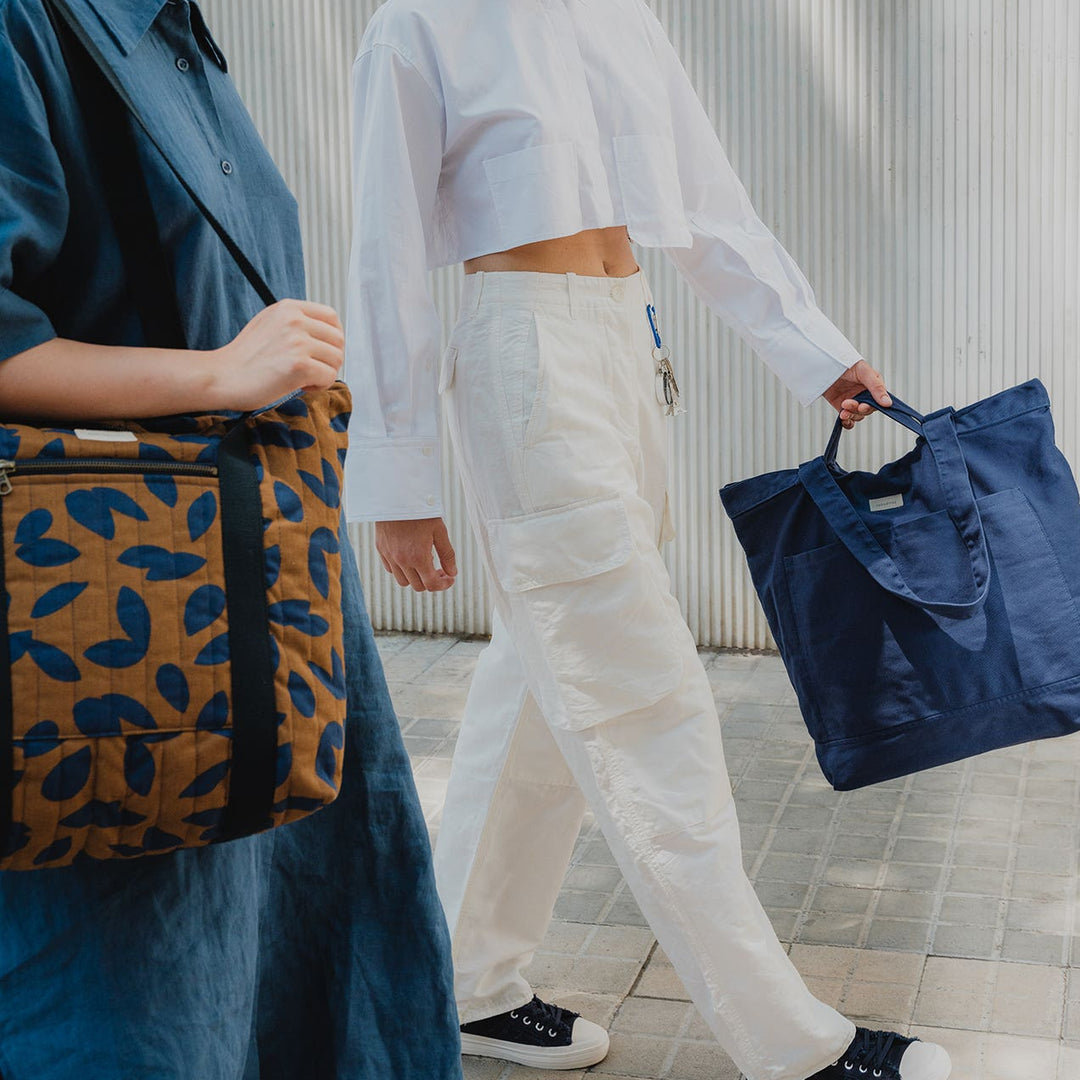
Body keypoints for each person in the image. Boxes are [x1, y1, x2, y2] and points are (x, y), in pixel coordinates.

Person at [345, 2, 952, 1079]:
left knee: (545, 682)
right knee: (646, 698)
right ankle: (791, 1043)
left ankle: (465, 983)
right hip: (524, 356)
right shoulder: (422, 21)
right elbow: (384, 245)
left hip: (625, 341)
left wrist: (813, 348)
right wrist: (397, 471)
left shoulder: (618, 13)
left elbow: (708, 203)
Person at [0, 2, 462, 1077]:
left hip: (250, 605)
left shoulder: (171, 32)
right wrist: (216, 375)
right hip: (119, 634)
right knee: (133, 1001)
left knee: (298, 967)